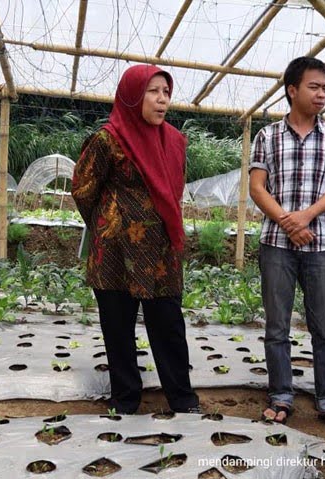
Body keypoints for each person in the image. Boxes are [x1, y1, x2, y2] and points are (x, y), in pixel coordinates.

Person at [71, 64, 200, 415]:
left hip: (160, 251)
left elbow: (174, 190)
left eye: (166, 93)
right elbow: (83, 189)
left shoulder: (174, 141)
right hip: (115, 252)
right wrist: (110, 223)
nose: (162, 100)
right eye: (153, 91)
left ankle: (182, 398)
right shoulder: (107, 140)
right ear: (132, 95)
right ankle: (125, 399)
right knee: (118, 327)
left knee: (169, 325)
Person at [249, 56, 325, 435]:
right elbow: (257, 187)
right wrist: (287, 221)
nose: (321, 93)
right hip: (277, 243)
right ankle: (281, 395)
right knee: (277, 325)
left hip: (321, 242)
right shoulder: (268, 136)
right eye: (314, 86)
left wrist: (305, 217)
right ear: (292, 90)